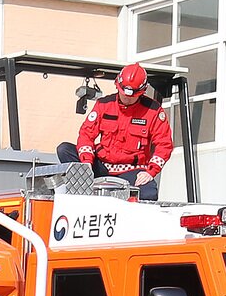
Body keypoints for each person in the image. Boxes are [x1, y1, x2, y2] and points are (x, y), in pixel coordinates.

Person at [55, 62, 173, 201]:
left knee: (148, 194)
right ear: (118, 86)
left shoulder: (153, 111)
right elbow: (86, 134)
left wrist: (150, 172)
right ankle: (84, 189)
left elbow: (164, 144)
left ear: (142, 92)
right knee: (64, 149)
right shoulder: (104, 104)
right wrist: (86, 162)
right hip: (100, 167)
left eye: (133, 95)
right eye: (124, 94)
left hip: (132, 171)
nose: (128, 98)